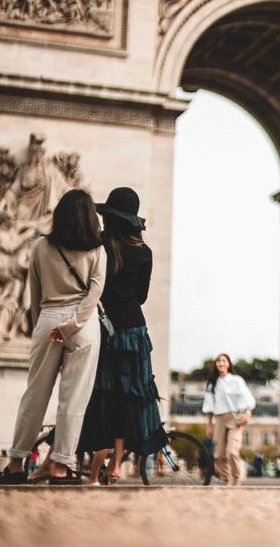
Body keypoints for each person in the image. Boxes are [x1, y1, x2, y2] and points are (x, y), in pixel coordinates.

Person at [0, 189, 106, 485]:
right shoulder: (98, 249)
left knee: (35, 395)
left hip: (48, 320)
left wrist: (44, 327)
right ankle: (60, 466)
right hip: (84, 326)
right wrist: (72, 326)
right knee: (73, 400)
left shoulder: (40, 246)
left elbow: (34, 295)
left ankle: (16, 464)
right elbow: (95, 294)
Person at [78, 187, 168, 486]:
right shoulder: (145, 252)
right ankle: (116, 464)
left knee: (101, 396)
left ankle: (94, 466)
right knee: (130, 397)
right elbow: (141, 296)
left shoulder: (100, 246)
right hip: (134, 330)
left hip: (103, 327)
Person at [202, 354, 256, 486]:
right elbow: (209, 407)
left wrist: (247, 413)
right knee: (219, 454)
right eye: (218, 361)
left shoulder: (236, 380)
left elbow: (246, 398)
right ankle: (227, 480)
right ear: (216, 365)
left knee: (232, 451)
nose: (221, 363)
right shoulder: (213, 384)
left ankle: (237, 479)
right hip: (219, 419)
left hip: (235, 418)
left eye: (223, 361)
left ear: (228, 364)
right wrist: (209, 425)